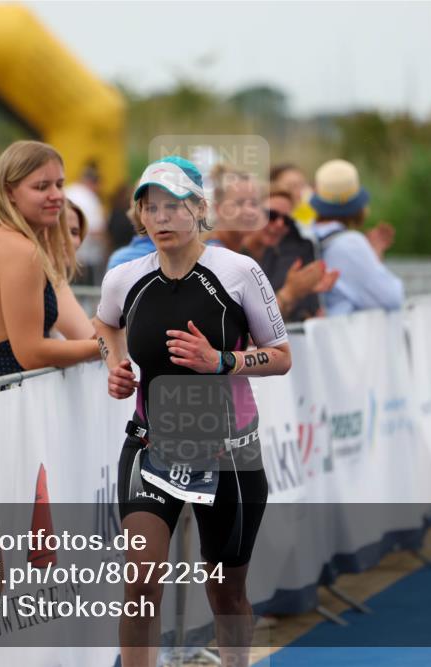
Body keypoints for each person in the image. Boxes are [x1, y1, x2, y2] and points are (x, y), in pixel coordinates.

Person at [93, 155, 291, 667]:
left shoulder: (238, 271)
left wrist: (221, 360)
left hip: (229, 454)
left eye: (173, 207)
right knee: (140, 580)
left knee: (226, 593)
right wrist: (115, 366)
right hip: (151, 447)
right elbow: (105, 324)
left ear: (199, 209)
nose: (160, 219)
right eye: (149, 208)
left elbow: (282, 356)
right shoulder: (125, 278)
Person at [0, 140, 98, 425]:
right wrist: (106, 346)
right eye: (41, 187)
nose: (56, 195)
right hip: (10, 410)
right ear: (10, 191)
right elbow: (31, 352)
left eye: (60, 184)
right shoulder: (21, 251)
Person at [309, 159, 404, 315]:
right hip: (339, 336)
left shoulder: (309, 233)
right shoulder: (349, 243)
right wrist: (374, 255)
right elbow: (391, 297)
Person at [242, 190, 338, 321]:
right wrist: (290, 293)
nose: (279, 224)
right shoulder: (228, 252)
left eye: (287, 220)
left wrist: (303, 293)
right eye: (272, 215)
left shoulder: (274, 256)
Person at [65, 162, 107, 280]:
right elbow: (97, 230)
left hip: (63, 257)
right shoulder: (90, 197)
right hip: (87, 259)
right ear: (93, 182)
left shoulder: (67, 190)